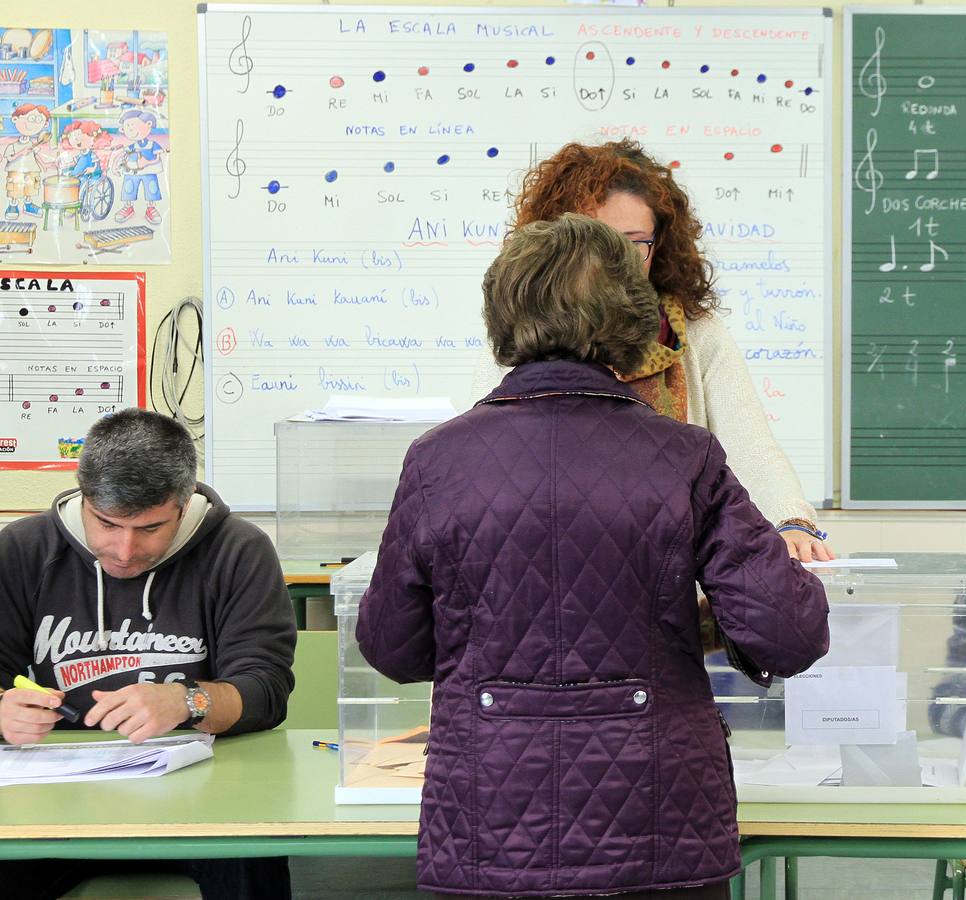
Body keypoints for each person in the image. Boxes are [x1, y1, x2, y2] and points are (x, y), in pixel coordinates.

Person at [360, 213, 830, 899]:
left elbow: (392, 648)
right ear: (633, 322)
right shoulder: (684, 456)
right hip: (659, 826)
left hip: (490, 826)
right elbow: (786, 634)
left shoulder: (437, 461)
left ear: (502, 317)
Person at [470, 139, 832, 562]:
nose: (616, 266)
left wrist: (791, 522)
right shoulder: (526, 335)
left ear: (659, 246)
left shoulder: (697, 334)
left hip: (674, 572)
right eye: (595, 245)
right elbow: (484, 453)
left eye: (633, 244)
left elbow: (753, 451)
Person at [0, 408, 297, 900]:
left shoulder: (239, 550)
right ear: (84, 497)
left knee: (252, 864)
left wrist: (187, 701)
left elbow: (266, 690)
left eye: (149, 528)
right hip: (55, 795)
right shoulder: (22, 550)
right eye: (106, 524)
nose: (122, 549)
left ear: (181, 505)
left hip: (207, 791)